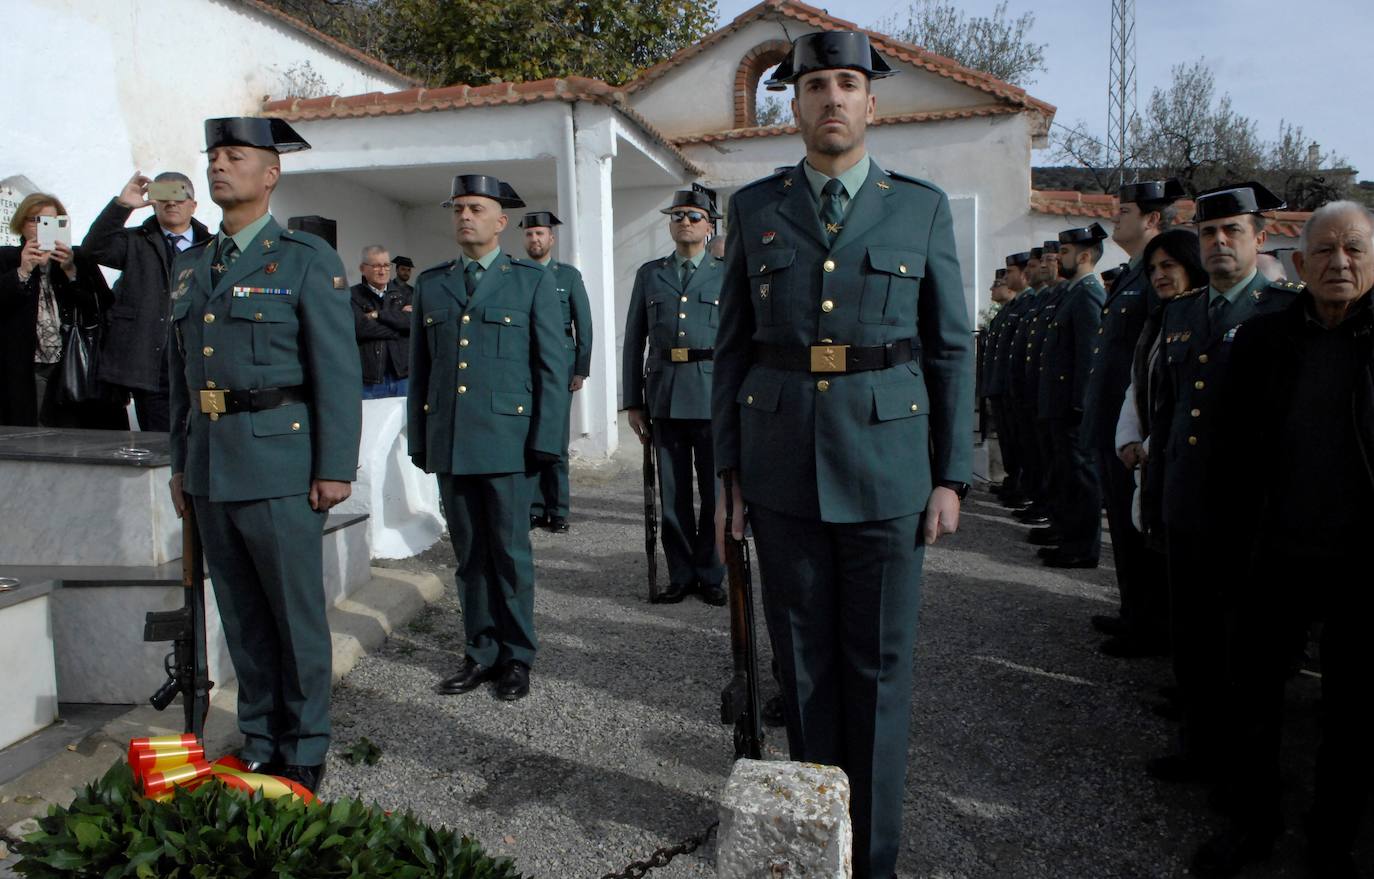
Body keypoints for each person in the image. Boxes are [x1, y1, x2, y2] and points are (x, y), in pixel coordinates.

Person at [712, 31, 972, 879]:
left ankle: (876, 862)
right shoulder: (755, 207)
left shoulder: (919, 207)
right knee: (804, 668)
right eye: (816, 84)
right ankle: (821, 845)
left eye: (848, 83)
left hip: (889, 470)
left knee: (880, 669)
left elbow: (949, 347)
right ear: (795, 104)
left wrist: (949, 473)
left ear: (871, 102)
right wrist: (728, 474)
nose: (832, 97)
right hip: (781, 468)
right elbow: (732, 348)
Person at [167, 116, 362, 794]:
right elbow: (180, 377)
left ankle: (304, 745)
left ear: (271, 173)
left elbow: (336, 370)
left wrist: (334, 466)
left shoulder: (305, 258)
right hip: (211, 466)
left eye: (235, 155)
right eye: (214, 155)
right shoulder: (191, 264)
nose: (219, 166)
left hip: (281, 463)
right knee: (243, 615)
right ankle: (259, 736)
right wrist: (179, 463)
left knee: (292, 614)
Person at [1189, 201, 1373, 879]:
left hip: (1362, 563)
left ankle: (1332, 839)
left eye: (1354, 249)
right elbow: (1225, 452)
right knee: (1255, 699)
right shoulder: (1264, 341)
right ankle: (1253, 822)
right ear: (1298, 262)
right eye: (1323, 250)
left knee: (1352, 712)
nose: (1339, 263)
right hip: (1273, 553)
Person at [1146, 181, 1301, 787]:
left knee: (1249, 651)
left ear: (1260, 239)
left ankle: (1245, 778)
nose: (1218, 242)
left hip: (1250, 514)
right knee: (1193, 639)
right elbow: (1167, 415)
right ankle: (1198, 747)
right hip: (1188, 504)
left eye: (1232, 231)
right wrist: (1157, 496)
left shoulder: (1284, 310)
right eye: (1208, 232)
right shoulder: (1182, 311)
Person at [408, 174, 568, 702]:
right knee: (469, 554)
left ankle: (517, 656)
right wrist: (420, 439)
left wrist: (546, 441)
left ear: (501, 222)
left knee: (510, 553)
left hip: (507, 441)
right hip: (452, 440)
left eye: (475, 209)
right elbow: (421, 371)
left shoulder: (532, 281)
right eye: (457, 208)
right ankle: (480, 651)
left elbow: (551, 367)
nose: (464, 217)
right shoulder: (433, 283)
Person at [1083, 179, 1182, 650]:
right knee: (1123, 524)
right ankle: (1133, 611)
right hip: (1114, 417)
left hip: (1135, 420)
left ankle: (1149, 622)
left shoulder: (1155, 276)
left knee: (1138, 523)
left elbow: (1153, 359)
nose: (1114, 219)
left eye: (1124, 212)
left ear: (1152, 219)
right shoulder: (1131, 273)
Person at [622, 189, 726, 606]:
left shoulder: (725, 273)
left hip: (713, 396)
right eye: (678, 215)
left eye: (694, 216)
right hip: (664, 396)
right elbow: (634, 339)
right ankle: (681, 575)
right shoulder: (651, 274)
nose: (685, 222)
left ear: (709, 226)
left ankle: (711, 573)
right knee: (673, 494)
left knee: (716, 493)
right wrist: (633, 401)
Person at [82, 171, 212, 431]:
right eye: (163, 196)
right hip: (153, 366)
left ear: (193, 205)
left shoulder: (212, 246)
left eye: (179, 196)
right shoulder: (135, 241)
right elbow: (93, 249)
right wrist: (122, 206)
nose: (171, 202)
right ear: (153, 202)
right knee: (160, 442)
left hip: (201, 362)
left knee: (204, 438)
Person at [0, 192, 124, 429]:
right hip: (24, 367)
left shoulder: (79, 259)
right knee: (28, 431)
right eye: (35, 220)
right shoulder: (6, 258)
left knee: (71, 435)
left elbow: (101, 307)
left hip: (71, 364)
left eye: (51, 222)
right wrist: (22, 271)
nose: (42, 228)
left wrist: (71, 272)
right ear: (21, 224)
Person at [1034, 224, 1108, 568]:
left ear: (1084, 256)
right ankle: (1067, 536)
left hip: (1072, 405)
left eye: (1064, 252)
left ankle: (1082, 548)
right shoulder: (1073, 292)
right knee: (1065, 473)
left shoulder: (1088, 293)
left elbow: (1089, 353)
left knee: (1080, 477)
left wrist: (1081, 404)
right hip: (1059, 402)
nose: (1058, 258)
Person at [520, 211, 593, 533]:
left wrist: (581, 369)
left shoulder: (568, 276)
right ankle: (534, 508)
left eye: (540, 234)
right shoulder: (516, 274)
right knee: (528, 436)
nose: (535, 239)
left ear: (551, 238)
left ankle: (558, 509)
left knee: (555, 437)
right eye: (529, 234)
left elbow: (584, 325)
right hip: (524, 362)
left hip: (560, 364)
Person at [990, 253, 1034, 507]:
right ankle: (1015, 481)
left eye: (1009, 272)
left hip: (1017, 387)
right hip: (1005, 385)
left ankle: (1026, 488)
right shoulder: (1012, 309)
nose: (1005, 278)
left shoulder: (1028, 304)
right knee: (1011, 440)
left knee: (1023, 443)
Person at [350, 245, 410, 399]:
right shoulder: (352, 296)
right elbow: (360, 328)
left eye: (386, 265)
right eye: (376, 266)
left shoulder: (406, 294)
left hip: (403, 376)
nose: (383, 271)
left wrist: (378, 315)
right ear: (362, 268)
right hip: (370, 379)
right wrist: (398, 328)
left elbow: (411, 323)